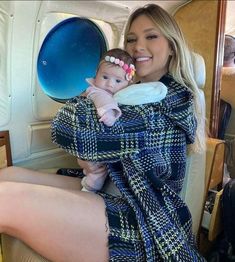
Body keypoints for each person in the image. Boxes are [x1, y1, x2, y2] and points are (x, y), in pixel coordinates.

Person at [0, 4, 206, 262]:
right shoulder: (127, 91)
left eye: (151, 36)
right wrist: (92, 103)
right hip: (114, 185)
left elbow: (74, 135)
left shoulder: (172, 100)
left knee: (4, 200)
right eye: (131, 39)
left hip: (143, 215)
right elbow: (68, 122)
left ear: (172, 46)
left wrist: (89, 104)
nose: (137, 46)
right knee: (7, 175)